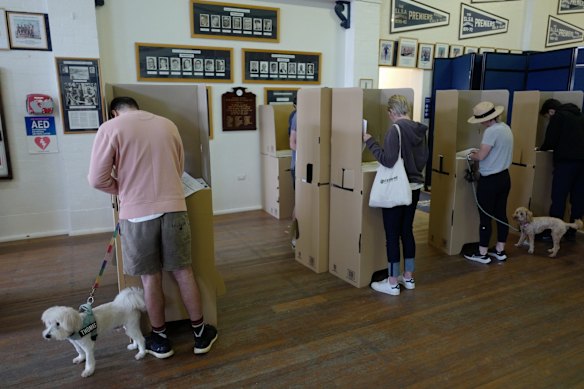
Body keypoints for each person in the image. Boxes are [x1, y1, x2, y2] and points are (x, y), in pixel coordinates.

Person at [88, 97, 218, 359]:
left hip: (136, 215)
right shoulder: (168, 125)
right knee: (184, 273)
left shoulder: (110, 128)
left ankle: (159, 339)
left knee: (150, 278)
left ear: (115, 112)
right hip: (174, 209)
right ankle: (200, 333)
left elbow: (97, 179)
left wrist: (123, 191)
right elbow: (178, 168)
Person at [364, 95, 428, 296]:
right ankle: (408, 277)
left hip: (397, 188)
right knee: (406, 231)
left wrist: (370, 142)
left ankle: (392, 282)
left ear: (392, 112)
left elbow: (388, 160)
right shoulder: (420, 129)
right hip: (415, 187)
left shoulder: (395, 130)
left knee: (392, 235)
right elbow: (422, 158)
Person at [464, 101, 513, 264]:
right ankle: (500, 250)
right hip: (504, 177)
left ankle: (482, 253)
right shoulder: (506, 128)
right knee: (501, 215)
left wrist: (471, 155)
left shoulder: (491, 132)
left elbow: (482, 156)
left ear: (485, 120)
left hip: (490, 180)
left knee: (485, 217)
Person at [539, 98, 584, 240]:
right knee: (578, 198)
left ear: (551, 111)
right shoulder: (580, 115)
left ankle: (554, 232)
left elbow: (550, 140)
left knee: (558, 197)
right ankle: (571, 232)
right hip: (582, 163)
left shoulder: (558, 116)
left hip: (566, 163)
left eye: (547, 117)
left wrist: (541, 148)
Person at [288, 98, 298, 248]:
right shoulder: (298, 116)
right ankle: (295, 236)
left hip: (309, 166)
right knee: (300, 203)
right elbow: (292, 142)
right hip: (299, 166)